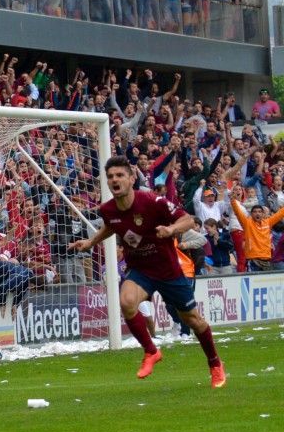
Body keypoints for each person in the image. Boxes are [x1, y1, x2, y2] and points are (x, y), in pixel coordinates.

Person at [69, 157, 225, 388]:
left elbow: (188, 220)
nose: (114, 180)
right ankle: (151, 351)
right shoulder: (107, 209)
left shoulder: (153, 202)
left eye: (120, 175)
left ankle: (215, 363)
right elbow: (112, 225)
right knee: (126, 301)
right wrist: (91, 242)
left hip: (168, 270)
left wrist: (171, 229)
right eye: (111, 176)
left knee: (193, 320)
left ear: (132, 179)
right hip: (141, 270)